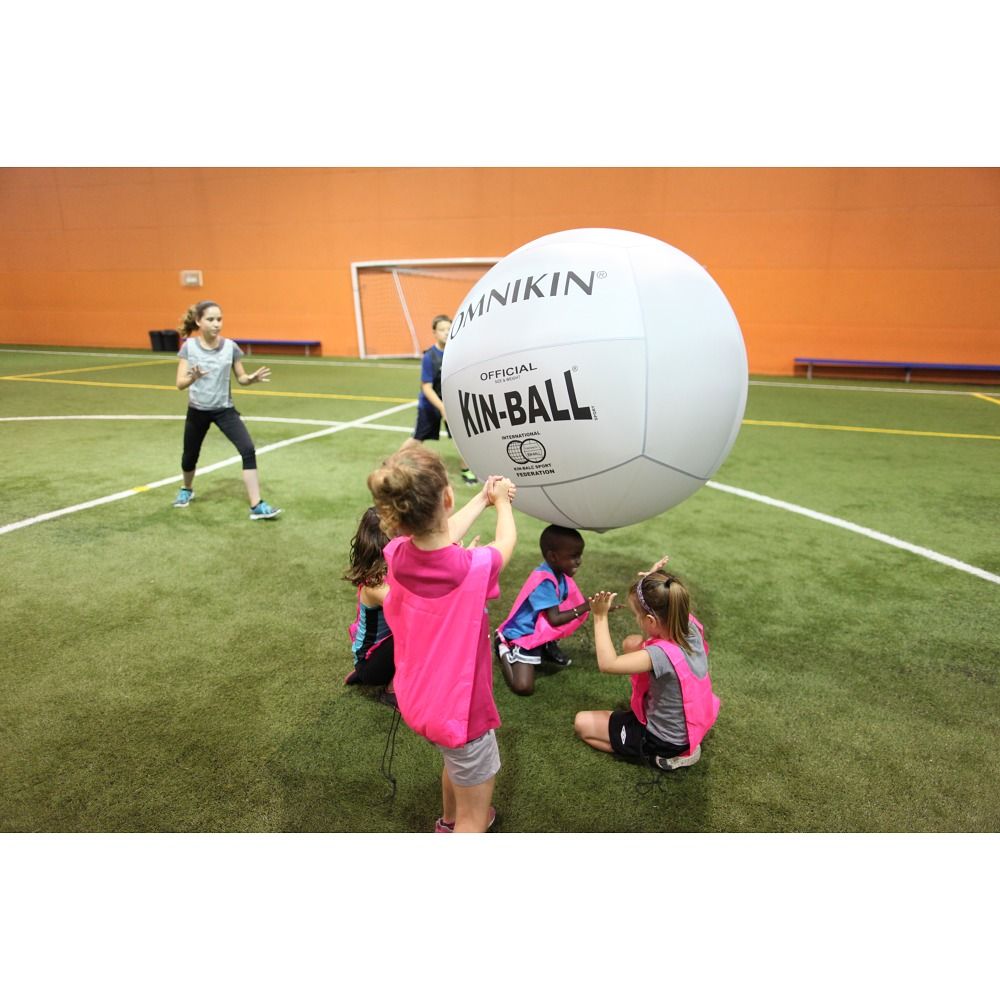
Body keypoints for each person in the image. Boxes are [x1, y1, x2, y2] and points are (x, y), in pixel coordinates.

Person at [368, 442, 516, 833]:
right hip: (461, 712)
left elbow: (439, 537)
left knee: (455, 763)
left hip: (421, 701)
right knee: (475, 815)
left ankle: (448, 823)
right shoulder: (474, 567)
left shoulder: (397, 552)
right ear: (448, 497)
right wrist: (502, 504)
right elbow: (506, 545)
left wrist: (483, 499)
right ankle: (461, 825)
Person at [573, 558, 719, 771]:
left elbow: (608, 664)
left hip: (665, 740)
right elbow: (664, 602)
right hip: (692, 723)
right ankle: (668, 745)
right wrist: (650, 581)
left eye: (637, 616)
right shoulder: (686, 623)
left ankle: (657, 756)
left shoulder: (660, 655)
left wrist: (599, 617)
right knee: (632, 643)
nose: (636, 620)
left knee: (582, 723)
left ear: (651, 621)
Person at [172, 300, 281, 520]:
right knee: (189, 456)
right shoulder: (189, 347)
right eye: (210, 319)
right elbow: (179, 384)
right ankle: (186, 489)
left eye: (219, 319)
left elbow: (240, 377)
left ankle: (256, 505)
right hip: (197, 410)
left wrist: (250, 379)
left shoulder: (230, 347)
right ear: (198, 321)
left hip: (224, 410)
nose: (216, 324)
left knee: (248, 449)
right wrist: (193, 376)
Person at [494, 524, 591, 695]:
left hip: (536, 630)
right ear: (553, 556)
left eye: (580, 555)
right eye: (573, 556)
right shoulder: (544, 580)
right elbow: (554, 618)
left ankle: (546, 645)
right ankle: (503, 646)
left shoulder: (557, 572)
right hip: (521, 635)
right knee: (523, 687)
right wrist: (586, 606)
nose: (579, 561)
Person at [410, 313, 478, 486]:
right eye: (442, 330)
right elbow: (426, 387)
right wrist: (441, 407)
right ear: (434, 332)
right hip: (431, 405)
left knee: (463, 438)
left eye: (449, 329)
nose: (446, 333)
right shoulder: (429, 357)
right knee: (418, 438)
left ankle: (467, 470)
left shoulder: (456, 354)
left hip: (451, 404)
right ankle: (393, 462)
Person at [343, 507, 397, 705]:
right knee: (416, 630)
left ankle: (363, 673)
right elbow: (411, 605)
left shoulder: (382, 570)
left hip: (372, 657)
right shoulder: (375, 583)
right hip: (370, 664)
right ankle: (391, 690)